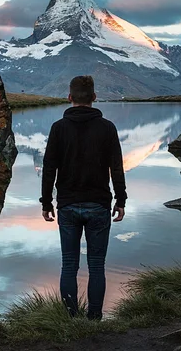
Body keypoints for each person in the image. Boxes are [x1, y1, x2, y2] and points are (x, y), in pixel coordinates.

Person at [40, 75, 127, 320]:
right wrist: (120, 200)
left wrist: (46, 202)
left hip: (67, 205)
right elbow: (116, 167)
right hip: (99, 205)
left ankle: (71, 318)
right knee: (97, 266)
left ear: (70, 98)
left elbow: (49, 168)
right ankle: (94, 319)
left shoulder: (58, 128)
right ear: (94, 98)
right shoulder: (107, 127)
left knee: (69, 265)